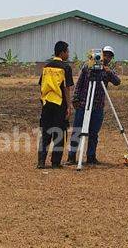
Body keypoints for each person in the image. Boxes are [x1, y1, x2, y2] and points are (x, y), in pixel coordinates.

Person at [67, 46, 121, 165]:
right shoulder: (87, 66)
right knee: (77, 131)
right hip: (83, 104)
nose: (106, 57)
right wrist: (75, 99)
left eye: (109, 56)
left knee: (93, 133)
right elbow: (79, 83)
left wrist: (108, 71)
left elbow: (117, 82)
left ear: (111, 58)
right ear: (101, 54)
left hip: (98, 106)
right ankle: (71, 156)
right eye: (105, 54)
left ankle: (91, 156)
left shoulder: (108, 70)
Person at [37, 41, 74, 169]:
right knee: (59, 133)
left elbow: (41, 85)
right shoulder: (65, 67)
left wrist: (43, 100)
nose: (68, 54)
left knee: (46, 132)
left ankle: (41, 162)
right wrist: (69, 106)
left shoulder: (46, 66)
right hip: (59, 104)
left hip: (47, 103)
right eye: (67, 51)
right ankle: (55, 162)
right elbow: (66, 88)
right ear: (62, 52)